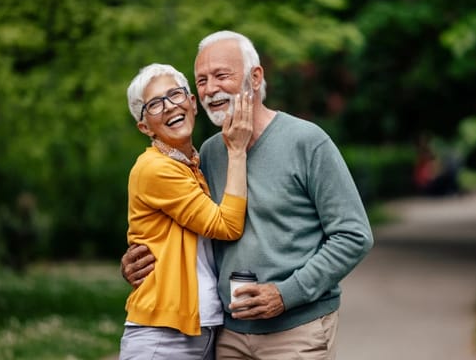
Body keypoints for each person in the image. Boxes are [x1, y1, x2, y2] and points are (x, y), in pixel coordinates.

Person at [122, 31, 374, 359]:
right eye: (201, 80)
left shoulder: (307, 142)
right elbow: (186, 228)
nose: (211, 88)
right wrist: (140, 260)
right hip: (227, 335)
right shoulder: (207, 154)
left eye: (221, 75)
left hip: (296, 330)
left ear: (255, 78)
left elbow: (354, 235)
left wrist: (286, 293)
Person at [119, 63, 253, 360]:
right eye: (154, 104)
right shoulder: (156, 168)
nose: (168, 107)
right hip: (163, 337)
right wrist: (238, 150)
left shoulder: (194, 163)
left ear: (192, 103)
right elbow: (227, 226)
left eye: (175, 95)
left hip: (203, 330)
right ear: (144, 126)